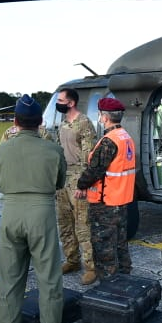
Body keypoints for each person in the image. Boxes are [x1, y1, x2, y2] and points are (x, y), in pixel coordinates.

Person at [0, 95, 67, 323]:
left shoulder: (3, 149)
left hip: (11, 213)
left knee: (9, 279)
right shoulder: (53, 149)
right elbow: (59, 183)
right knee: (49, 278)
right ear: (40, 122)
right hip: (42, 213)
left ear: (15, 122)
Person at [76, 98, 136, 278]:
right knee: (120, 243)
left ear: (105, 117)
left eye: (100, 114)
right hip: (122, 200)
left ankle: (108, 285)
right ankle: (125, 277)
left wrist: (81, 185)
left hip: (105, 203)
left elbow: (95, 170)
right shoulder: (126, 137)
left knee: (104, 247)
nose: (100, 117)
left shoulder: (108, 141)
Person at [52, 88, 98, 284]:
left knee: (82, 224)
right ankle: (72, 260)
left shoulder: (84, 123)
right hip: (63, 178)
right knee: (64, 223)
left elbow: (90, 157)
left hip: (78, 178)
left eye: (61, 100)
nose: (58, 103)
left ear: (71, 103)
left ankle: (90, 266)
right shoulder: (63, 123)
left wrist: (83, 183)